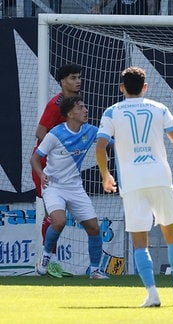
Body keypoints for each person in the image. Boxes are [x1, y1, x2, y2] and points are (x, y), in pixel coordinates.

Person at [95, 66, 173, 307]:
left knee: (140, 241)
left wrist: (105, 175)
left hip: (132, 181)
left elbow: (100, 147)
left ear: (121, 88)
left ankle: (152, 293)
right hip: (160, 177)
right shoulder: (159, 108)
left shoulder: (112, 112)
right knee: (172, 234)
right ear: (145, 87)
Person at [30, 95, 109, 280]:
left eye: (85, 106)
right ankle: (45, 258)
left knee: (94, 228)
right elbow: (34, 158)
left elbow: (109, 143)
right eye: (81, 107)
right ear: (70, 114)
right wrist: (41, 174)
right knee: (59, 221)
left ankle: (95, 270)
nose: (85, 110)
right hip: (53, 186)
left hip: (75, 188)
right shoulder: (55, 134)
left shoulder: (90, 131)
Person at [32, 63, 82, 278]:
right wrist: (58, 151)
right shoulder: (56, 104)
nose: (78, 81)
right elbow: (40, 132)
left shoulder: (75, 104)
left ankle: (50, 261)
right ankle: (48, 261)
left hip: (61, 167)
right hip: (45, 165)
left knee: (56, 216)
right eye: (72, 77)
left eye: (79, 77)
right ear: (62, 82)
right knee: (52, 216)